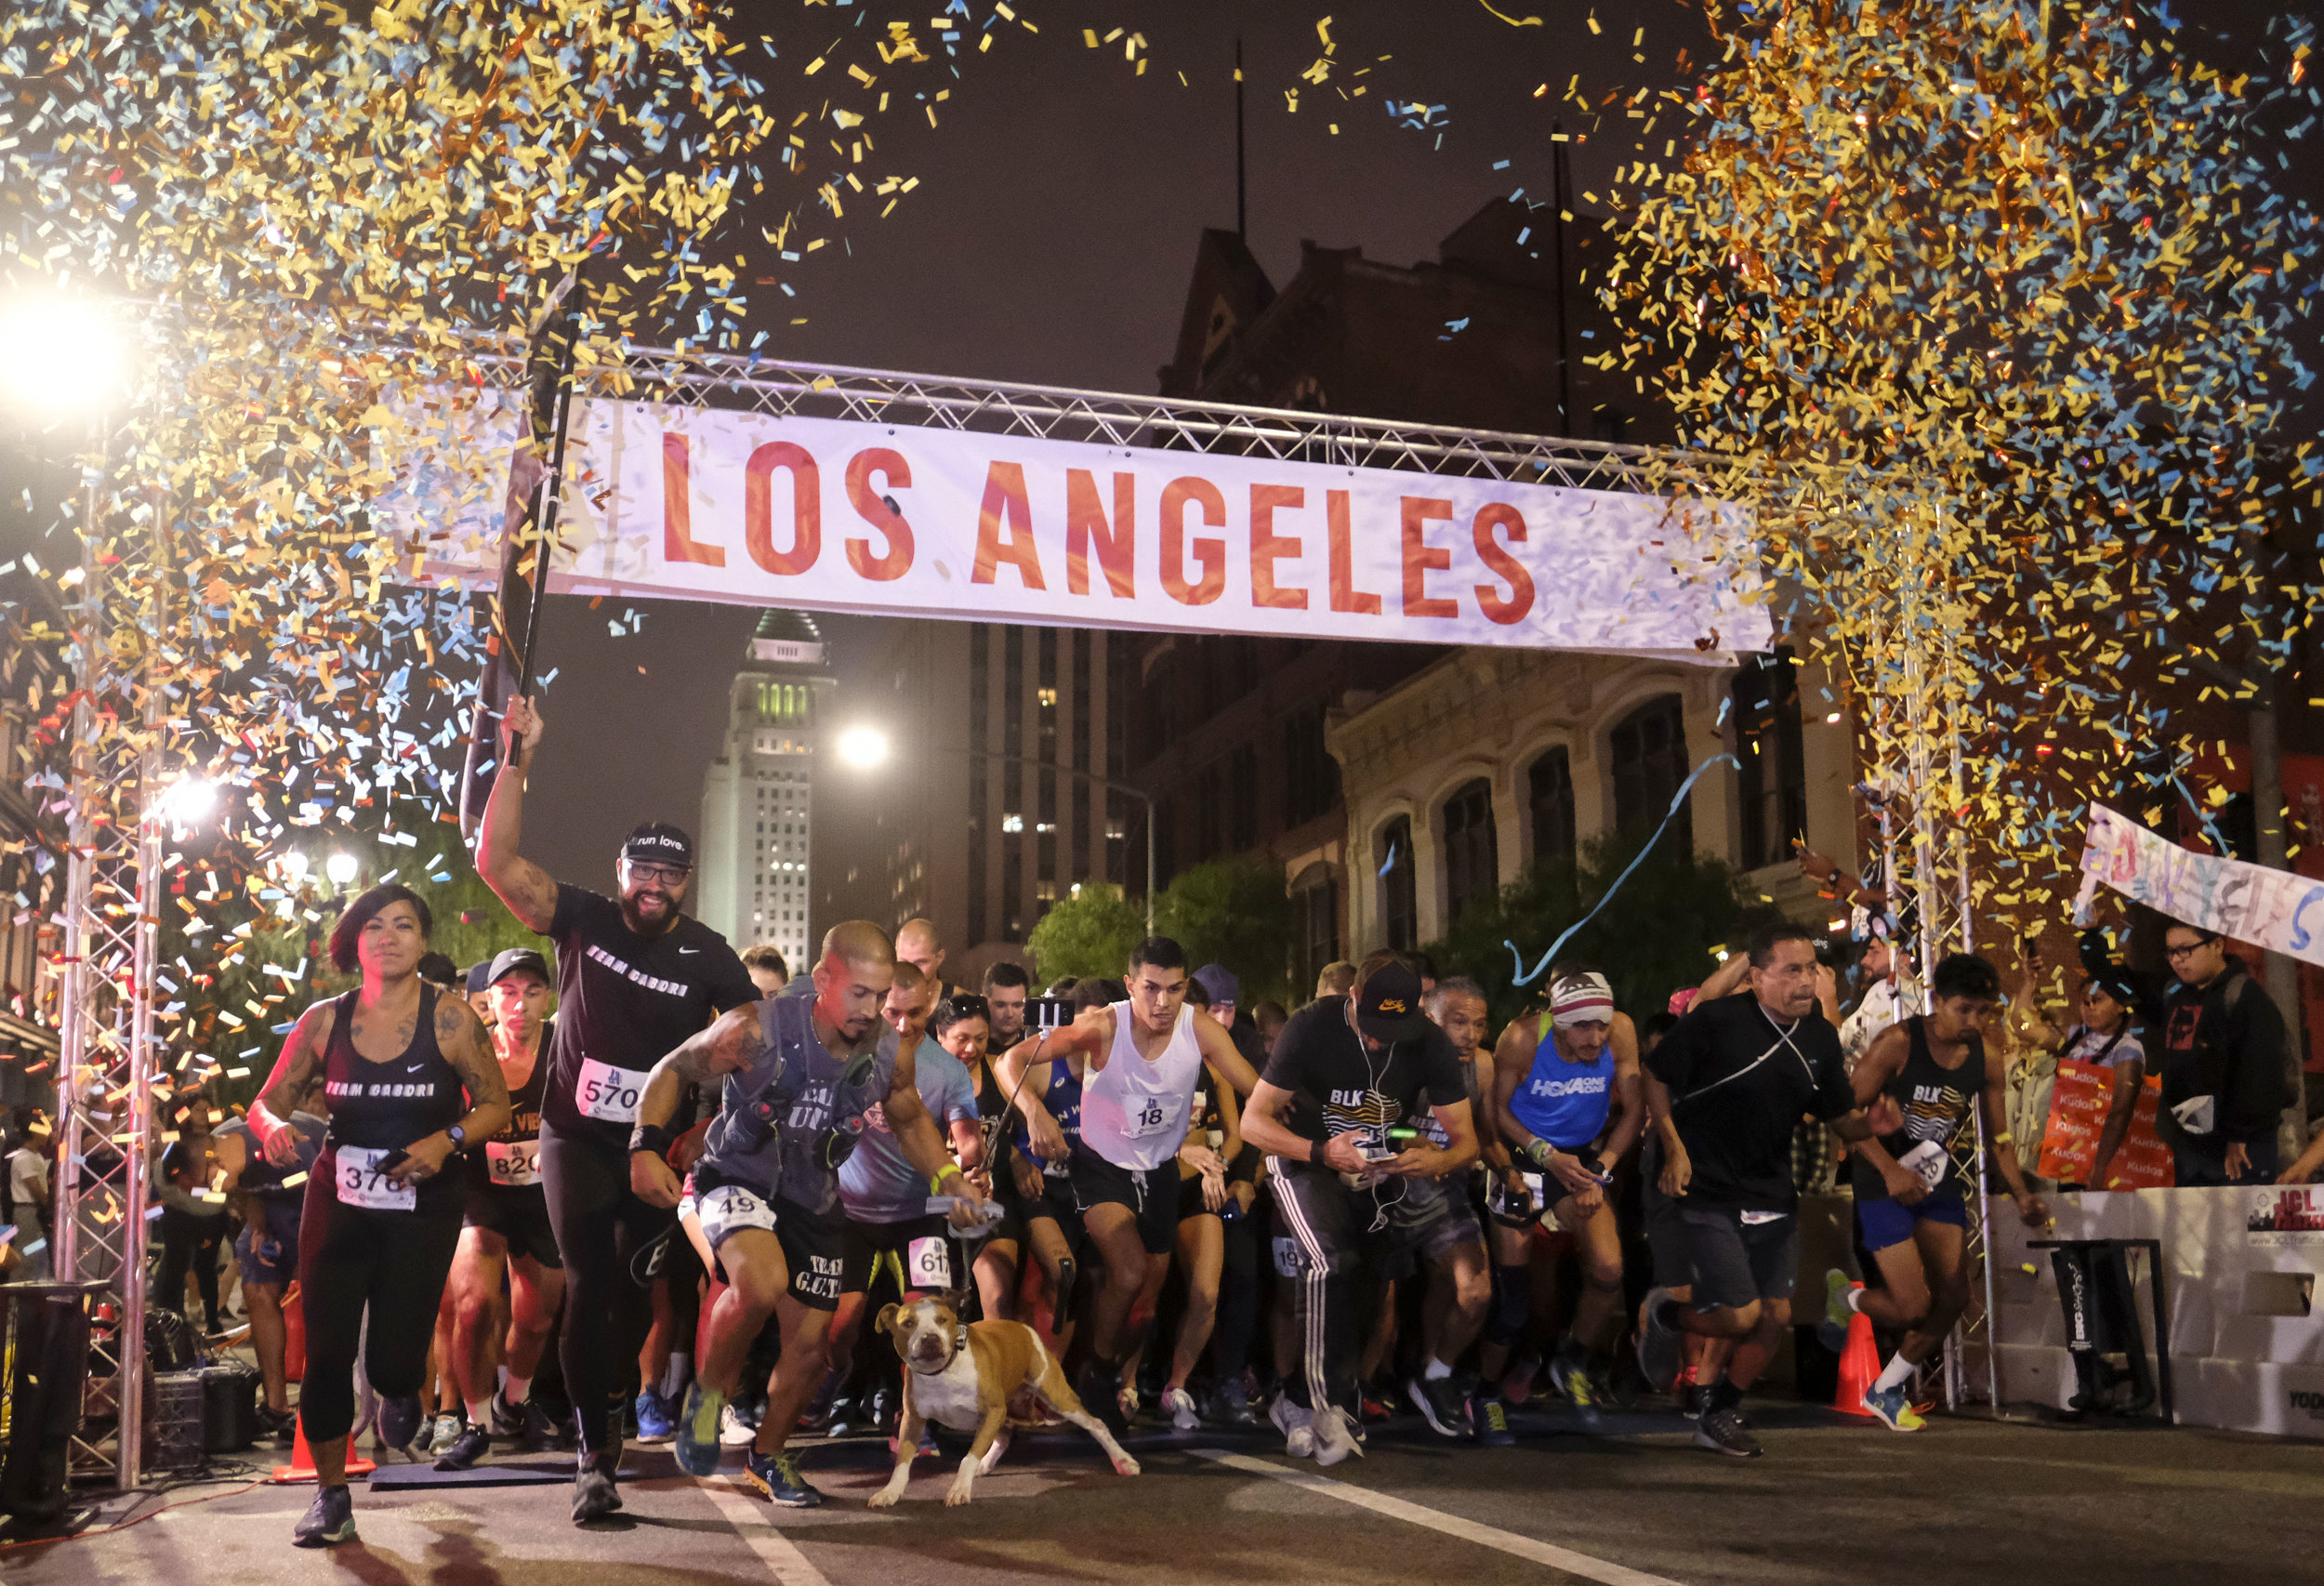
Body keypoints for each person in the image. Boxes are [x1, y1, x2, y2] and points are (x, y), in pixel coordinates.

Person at [477, 695, 759, 1522]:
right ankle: (594, 1459)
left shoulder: (708, 953)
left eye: (671, 875)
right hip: (573, 1138)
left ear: (686, 883)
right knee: (588, 1283)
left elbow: (752, 1038)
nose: (655, 887)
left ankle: (602, 1407)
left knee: (636, 1298)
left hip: (654, 1150)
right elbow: (497, 860)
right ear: (622, 872)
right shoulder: (583, 917)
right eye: (644, 871)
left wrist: (715, 1108)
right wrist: (518, 758)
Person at [629, 921, 990, 1508]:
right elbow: (673, 1069)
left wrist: (947, 1176)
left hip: (814, 1197)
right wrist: (644, 1145)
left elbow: (906, 1118)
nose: (872, 1010)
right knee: (761, 1281)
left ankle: (767, 1456)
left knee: (811, 1344)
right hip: (737, 1177)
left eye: (881, 997)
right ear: (823, 979)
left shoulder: (886, 1052)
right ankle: (707, 1402)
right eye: (859, 993)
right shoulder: (756, 1029)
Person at [249, 883, 509, 1547]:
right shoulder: (325, 1020)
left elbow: (494, 1108)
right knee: (330, 1352)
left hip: (424, 1204)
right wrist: (275, 1127)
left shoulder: (450, 1019)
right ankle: (331, 1496)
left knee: (395, 1363)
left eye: (402, 925)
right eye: (373, 926)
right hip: (339, 1195)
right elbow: (265, 1102)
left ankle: (399, 1389)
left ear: (423, 941)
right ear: (354, 942)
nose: (386, 936)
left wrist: (444, 1141)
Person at [994, 936, 1262, 1437]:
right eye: (1151, 989)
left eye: (1174, 989)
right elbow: (1009, 1063)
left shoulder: (1198, 1028)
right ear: (1129, 985)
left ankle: (1112, 1373)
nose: (1162, 1002)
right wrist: (1035, 1115)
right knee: (1129, 1269)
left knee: (1145, 1300)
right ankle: (1095, 1374)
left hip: (1159, 1169)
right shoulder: (1103, 1025)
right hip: (1101, 1164)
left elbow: (1255, 1087)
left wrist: (1309, 1115)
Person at [1636, 921, 1872, 1459]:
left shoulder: (1818, 1037)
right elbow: (1654, 1074)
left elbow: (1841, 1115)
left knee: (1777, 1318)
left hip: (1772, 1189)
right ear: (1757, 975)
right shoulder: (1716, 1021)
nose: (1806, 981)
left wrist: (1877, 1125)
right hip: (1707, 1187)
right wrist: (1674, 1147)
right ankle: (1665, 1315)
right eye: (1791, 970)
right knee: (1740, 1315)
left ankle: (1719, 1412)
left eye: (1811, 969)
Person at [1237, 952, 1477, 1466]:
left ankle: (1302, 1399)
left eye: (1390, 1031)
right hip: (1304, 1159)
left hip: (1378, 1171)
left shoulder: (1429, 1043)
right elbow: (1252, 1124)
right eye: (1369, 1027)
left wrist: (1432, 1155)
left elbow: (1467, 1144)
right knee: (1328, 1261)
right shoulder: (1310, 1027)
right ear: (1350, 999)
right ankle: (1324, 1405)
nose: (1376, 1041)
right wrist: (1323, 1152)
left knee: (1370, 1286)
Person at [1820, 953, 2050, 1430]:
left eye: (1984, 1011)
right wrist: (1888, 1169)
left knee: (1953, 1298)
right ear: (1937, 1001)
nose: (1975, 1021)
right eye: (1964, 1009)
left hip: (1936, 1179)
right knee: (1912, 1306)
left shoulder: (1987, 1056)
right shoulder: (1897, 1044)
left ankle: (1885, 1389)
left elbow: (1999, 1137)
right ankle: (1846, 1300)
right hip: (1881, 1181)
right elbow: (1843, 1116)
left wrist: (2020, 1193)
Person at [820, 964, 983, 1430]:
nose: (903, 1025)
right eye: (892, 1012)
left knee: (927, 1328)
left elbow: (967, 1135)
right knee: (840, 1325)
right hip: (851, 1213)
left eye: (915, 1013)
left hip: (918, 1216)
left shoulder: (947, 1067)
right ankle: (842, 1376)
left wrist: (968, 1169)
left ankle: (914, 1420)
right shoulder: (843, 1051)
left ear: (932, 1000)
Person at [1487, 969, 1643, 1430]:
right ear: (1556, 1021)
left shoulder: (1623, 1031)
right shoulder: (1520, 1038)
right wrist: (1541, 1153)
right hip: (1523, 1160)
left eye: (1602, 1025)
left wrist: (1601, 1171)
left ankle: (1570, 1360)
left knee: (1609, 1269)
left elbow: (1635, 1110)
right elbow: (1495, 1111)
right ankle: (1483, 1389)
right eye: (1581, 1027)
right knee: (1517, 1299)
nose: (1595, 1038)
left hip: (1579, 1164)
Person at [435, 948, 568, 1468]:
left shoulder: (564, 1047)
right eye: (508, 992)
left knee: (535, 1321)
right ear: (488, 999)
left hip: (543, 1195)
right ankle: (475, 1423)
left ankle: (515, 1400)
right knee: (473, 1306)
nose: (519, 1005)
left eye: (532, 992)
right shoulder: (469, 1053)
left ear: (547, 998)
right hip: (480, 1194)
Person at [1395, 977, 1496, 1440]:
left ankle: (1435, 1376)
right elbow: (1368, 1123)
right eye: (1459, 1022)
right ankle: (1352, 1387)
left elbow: (1486, 1134)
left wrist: (1511, 1169)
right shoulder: (1399, 1060)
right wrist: (1404, 1138)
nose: (1470, 1034)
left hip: (1446, 1190)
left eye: (1479, 1024)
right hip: (1389, 1189)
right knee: (1377, 1301)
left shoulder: (1484, 1066)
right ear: (1430, 1020)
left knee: (1474, 1293)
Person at [210, 1101, 324, 1440]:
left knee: (318, 1298)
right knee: (257, 1283)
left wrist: (309, 1255)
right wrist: (258, 1225)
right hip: (271, 1207)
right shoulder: (219, 1153)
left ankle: (317, 1402)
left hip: (317, 1203)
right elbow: (236, 1195)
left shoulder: (295, 1144)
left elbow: (327, 1195)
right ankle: (276, 1405)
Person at [2156, 924, 2292, 1185]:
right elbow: (2123, 985)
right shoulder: (2177, 994)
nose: (2176, 959)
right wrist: (2091, 937)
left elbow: (2260, 1075)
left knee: (2240, 1221)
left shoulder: (2245, 998)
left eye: (2185, 950)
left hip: (2240, 1147)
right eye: (2171, 952)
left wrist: (2238, 1136)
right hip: (2190, 1143)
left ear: (2218, 945)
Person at [8, 1115, 53, 1280]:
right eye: (44, 1129)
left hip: (34, 1212)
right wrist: (50, 1206)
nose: (48, 1133)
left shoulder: (35, 1155)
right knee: (26, 1254)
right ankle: (13, 1301)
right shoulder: (24, 1157)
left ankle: (31, 1297)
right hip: (27, 1212)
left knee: (37, 1255)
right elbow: (34, 1186)